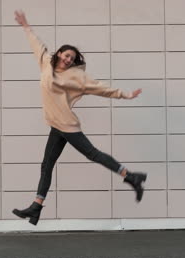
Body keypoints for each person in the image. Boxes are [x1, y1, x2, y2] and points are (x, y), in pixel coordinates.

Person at [12, 10, 147, 226]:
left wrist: (126, 94)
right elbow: (37, 44)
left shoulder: (77, 77)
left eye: (72, 58)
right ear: (59, 54)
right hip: (55, 125)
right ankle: (36, 207)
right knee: (47, 165)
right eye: (66, 55)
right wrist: (26, 26)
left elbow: (100, 88)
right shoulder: (46, 63)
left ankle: (131, 176)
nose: (68, 59)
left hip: (66, 125)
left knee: (92, 154)